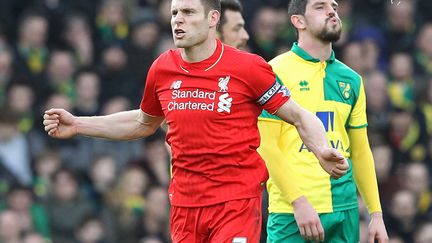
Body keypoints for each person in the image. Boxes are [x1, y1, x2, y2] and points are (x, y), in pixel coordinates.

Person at [43, 0, 349, 242]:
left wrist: (321, 150)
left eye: (188, 12)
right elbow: (142, 122)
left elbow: (299, 115)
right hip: (184, 206)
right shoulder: (162, 68)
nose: (178, 19)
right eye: (175, 12)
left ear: (213, 19)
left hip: (236, 203)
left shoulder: (248, 67)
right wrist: (79, 124)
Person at [257, 0, 389, 242]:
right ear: (298, 21)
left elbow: (360, 151)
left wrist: (376, 214)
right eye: (320, 6)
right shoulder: (274, 71)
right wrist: (299, 202)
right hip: (292, 213)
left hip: (344, 210)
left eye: (334, 7)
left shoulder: (352, 80)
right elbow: (267, 146)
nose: (331, 11)